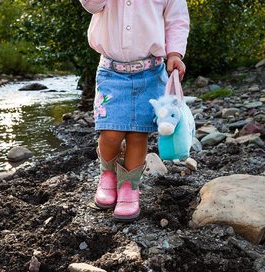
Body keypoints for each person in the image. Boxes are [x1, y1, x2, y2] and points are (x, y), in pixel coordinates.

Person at [79, 0, 190, 221]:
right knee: (110, 132)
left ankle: (130, 186)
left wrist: (175, 53)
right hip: (112, 72)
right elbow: (91, 5)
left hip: (151, 71)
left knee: (138, 134)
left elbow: (176, 20)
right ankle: (108, 175)